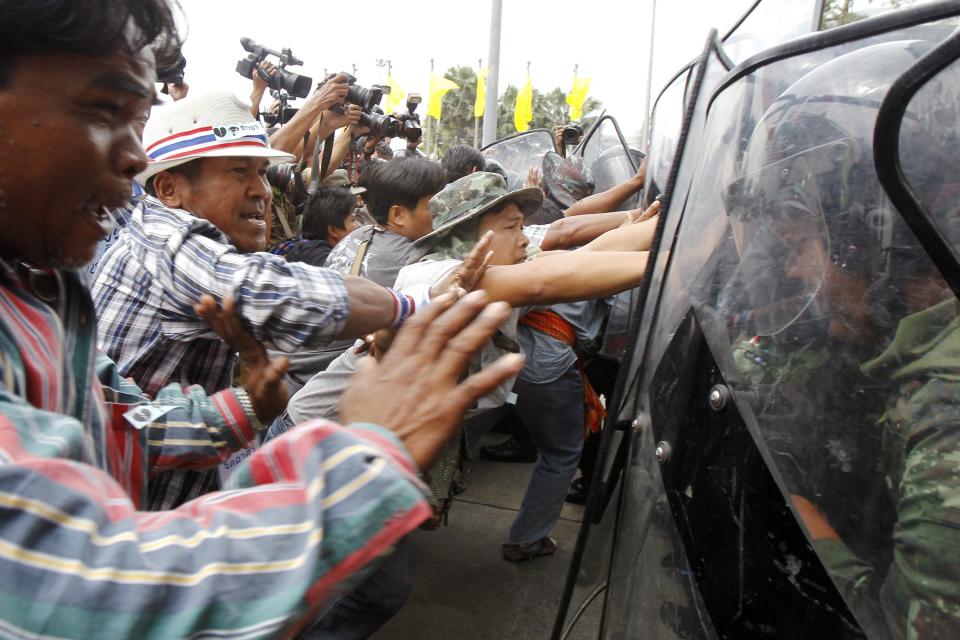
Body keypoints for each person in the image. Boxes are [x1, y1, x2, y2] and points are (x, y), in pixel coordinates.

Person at [0, 1, 527, 637]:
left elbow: (120, 422)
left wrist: (243, 407)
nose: (134, 159)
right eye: (103, 112)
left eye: (135, 123)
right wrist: (360, 459)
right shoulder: (167, 240)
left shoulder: (41, 292)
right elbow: (86, 594)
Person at [283, 187, 359, 267]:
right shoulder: (320, 259)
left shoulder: (308, 248)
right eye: (353, 220)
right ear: (333, 230)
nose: (357, 226)